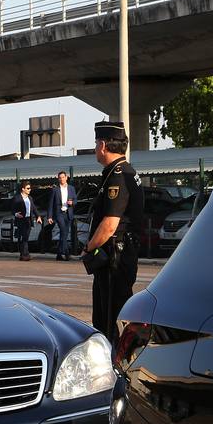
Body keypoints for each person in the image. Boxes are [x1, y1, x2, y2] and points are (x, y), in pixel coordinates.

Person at [84, 120, 145, 340]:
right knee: (110, 315)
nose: (95, 149)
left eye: (95, 144)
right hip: (117, 256)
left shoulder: (118, 176)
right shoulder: (119, 172)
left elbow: (109, 224)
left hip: (114, 259)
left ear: (102, 145)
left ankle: (114, 368)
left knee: (109, 320)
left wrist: (88, 248)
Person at [47, 170, 75, 260]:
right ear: (58, 179)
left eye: (63, 177)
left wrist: (72, 202)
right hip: (59, 213)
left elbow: (76, 200)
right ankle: (66, 253)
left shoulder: (71, 188)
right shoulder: (55, 190)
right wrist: (49, 216)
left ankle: (59, 254)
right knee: (63, 231)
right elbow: (50, 204)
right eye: (60, 178)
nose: (62, 179)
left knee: (65, 233)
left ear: (66, 178)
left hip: (68, 212)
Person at [10, 181, 42, 261]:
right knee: (24, 237)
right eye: (28, 188)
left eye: (30, 188)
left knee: (25, 237)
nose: (29, 190)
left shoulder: (30, 198)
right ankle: (25, 255)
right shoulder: (17, 198)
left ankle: (24, 254)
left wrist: (38, 216)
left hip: (28, 219)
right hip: (21, 220)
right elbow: (12, 210)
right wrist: (16, 214)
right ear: (23, 189)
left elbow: (34, 208)